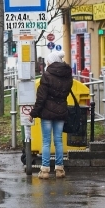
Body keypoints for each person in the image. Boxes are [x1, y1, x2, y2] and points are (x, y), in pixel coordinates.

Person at [29, 50, 73, 179]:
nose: (47, 62)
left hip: (47, 113)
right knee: (58, 140)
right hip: (61, 111)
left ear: (51, 62)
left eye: (48, 61)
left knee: (46, 142)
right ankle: (59, 169)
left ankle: (45, 171)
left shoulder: (47, 76)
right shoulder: (67, 76)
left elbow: (41, 98)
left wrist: (33, 113)